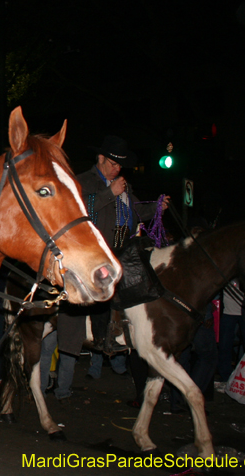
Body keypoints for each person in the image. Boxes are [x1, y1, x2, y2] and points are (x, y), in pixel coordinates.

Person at [75, 136, 169, 391]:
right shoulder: (83, 181)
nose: (118, 169)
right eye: (114, 163)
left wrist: (156, 208)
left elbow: (136, 211)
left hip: (121, 249)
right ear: (101, 159)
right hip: (93, 251)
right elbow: (79, 211)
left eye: (120, 165)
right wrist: (109, 193)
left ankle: (127, 337)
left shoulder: (123, 186)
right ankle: (101, 337)